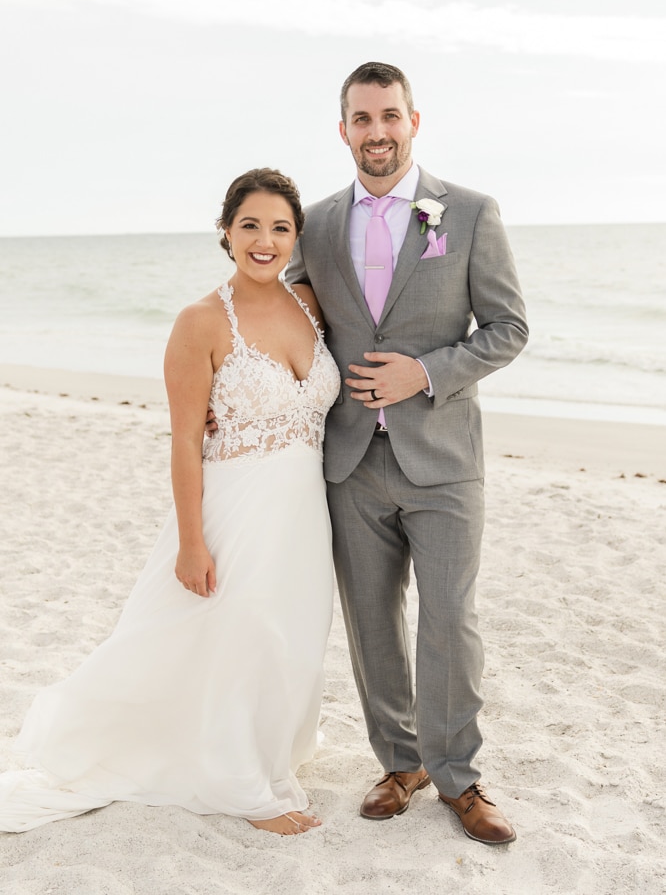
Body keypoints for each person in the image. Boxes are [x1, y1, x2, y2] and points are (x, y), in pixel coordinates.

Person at [0, 168, 341, 836]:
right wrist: (192, 542)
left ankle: (269, 748)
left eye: (279, 228)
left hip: (303, 515)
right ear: (225, 231)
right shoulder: (201, 321)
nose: (264, 240)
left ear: (296, 238)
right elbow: (186, 441)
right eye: (250, 226)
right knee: (231, 631)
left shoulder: (310, 305)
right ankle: (243, 786)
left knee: (288, 638)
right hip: (233, 509)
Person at [286, 62, 528, 845]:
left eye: (390, 115)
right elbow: (289, 312)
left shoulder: (470, 212)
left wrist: (424, 371)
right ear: (344, 129)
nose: (377, 132)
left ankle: (458, 776)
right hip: (351, 460)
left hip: (445, 457)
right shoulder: (316, 224)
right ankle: (400, 762)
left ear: (413, 121)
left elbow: (507, 329)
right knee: (371, 623)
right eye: (362, 119)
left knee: (450, 620)